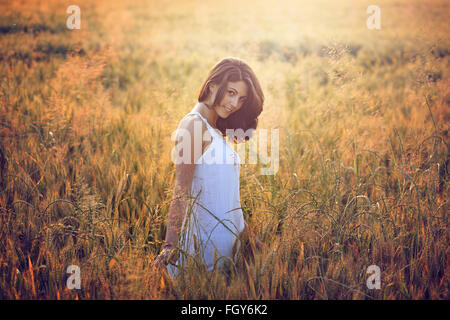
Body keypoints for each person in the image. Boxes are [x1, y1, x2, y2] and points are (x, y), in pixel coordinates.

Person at [153, 57, 264, 277]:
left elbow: (230, 199)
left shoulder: (215, 130)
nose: (234, 104)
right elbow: (181, 191)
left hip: (228, 251)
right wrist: (169, 246)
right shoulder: (194, 125)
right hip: (202, 252)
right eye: (231, 93)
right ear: (212, 85)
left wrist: (250, 240)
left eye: (241, 99)